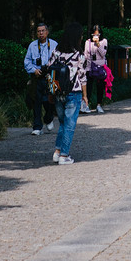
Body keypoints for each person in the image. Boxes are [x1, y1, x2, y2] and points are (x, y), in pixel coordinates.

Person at [51, 22, 89, 164]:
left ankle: (57, 151)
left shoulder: (56, 51)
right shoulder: (79, 54)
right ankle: (64, 156)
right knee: (69, 125)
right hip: (74, 92)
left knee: (62, 123)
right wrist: (85, 96)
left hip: (58, 92)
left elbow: (49, 68)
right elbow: (82, 77)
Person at [24, 22, 58, 134]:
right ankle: (37, 127)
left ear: (47, 32)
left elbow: (59, 60)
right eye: (39, 31)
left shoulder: (54, 44)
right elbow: (27, 61)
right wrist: (34, 70)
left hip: (50, 77)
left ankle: (48, 119)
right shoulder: (32, 46)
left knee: (50, 101)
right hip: (37, 77)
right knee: (36, 101)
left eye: (43, 31)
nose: (41, 33)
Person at [84, 26, 109, 113]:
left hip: (100, 66)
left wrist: (98, 44)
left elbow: (103, 54)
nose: (96, 36)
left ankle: (99, 104)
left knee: (100, 86)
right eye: (94, 34)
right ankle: (87, 105)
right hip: (90, 66)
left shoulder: (104, 41)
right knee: (88, 87)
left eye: (98, 34)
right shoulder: (88, 42)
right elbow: (86, 55)